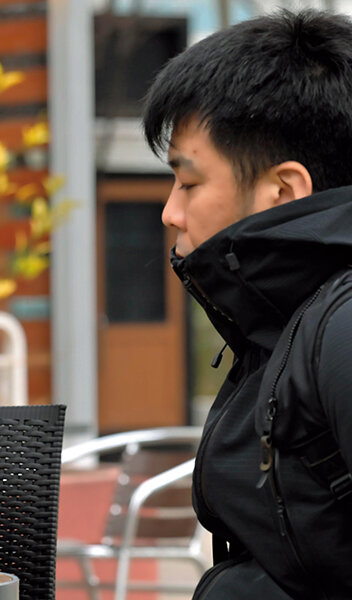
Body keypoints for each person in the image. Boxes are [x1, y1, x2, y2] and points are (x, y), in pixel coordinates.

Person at [142, 9, 352, 600]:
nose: (170, 213)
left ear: (283, 191)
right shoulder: (282, 321)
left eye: (189, 183)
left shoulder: (341, 323)